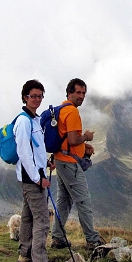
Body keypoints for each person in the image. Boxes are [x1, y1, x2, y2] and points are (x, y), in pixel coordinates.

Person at [50, 78, 102, 252]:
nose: (81, 96)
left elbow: (67, 139)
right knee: (83, 200)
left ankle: (57, 237)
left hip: (61, 159)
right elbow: (73, 140)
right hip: (69, 164)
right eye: (78, 92)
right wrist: (86, 137)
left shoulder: (61, 109)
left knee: (64, 200)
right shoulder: (71, 112)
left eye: (83, 93)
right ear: (69, 93)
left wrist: (83, 147)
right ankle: (92, 240)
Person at [14, 80, 54, 262]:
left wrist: (46, 163)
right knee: (43, 220)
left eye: (40, 96)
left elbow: (35, 149)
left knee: (28, 216)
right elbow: (23, 153)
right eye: (33, 96)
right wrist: (38, 179)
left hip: (35, 175)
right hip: (32, 179)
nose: (37, 99)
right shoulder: (23, 121)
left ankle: (25, 253)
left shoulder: (34, 119)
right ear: (25, 97)